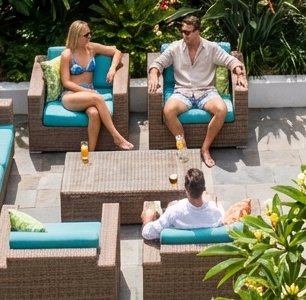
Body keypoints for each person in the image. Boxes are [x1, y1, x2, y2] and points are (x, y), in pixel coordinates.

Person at [147, 15, 247, 168]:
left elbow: (230, 60)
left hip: (206, 91)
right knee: (168, 111)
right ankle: (183, 147)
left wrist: (239, 72)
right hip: (183, 91)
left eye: (187, 32)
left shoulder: (211, 48)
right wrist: (154, 73)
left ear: (197, 31)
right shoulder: (175, 47)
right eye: (182, 31)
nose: (184, 35)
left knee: (221, 110)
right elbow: (158, 62)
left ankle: (205, 148)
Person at [60, 20, 133, 151]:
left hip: (89, 94)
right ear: (76, 36)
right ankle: (116, 137)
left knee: (94, 114)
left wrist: (112, 68)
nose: (89, 37)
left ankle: (91, 153)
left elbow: (117, 52)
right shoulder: (67, 55)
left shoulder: (91, 48)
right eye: (86, 35)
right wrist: (87, 92)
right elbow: (66, 82)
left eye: (90, 33)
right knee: (97, 98)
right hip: (72, 95)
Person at [141, 167, 223, 240]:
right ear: (203, 189)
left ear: (186, 190)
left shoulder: (174, 212)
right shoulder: (215, 212)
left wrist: (147, 220)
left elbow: (147, 233)